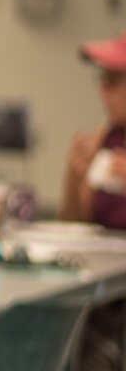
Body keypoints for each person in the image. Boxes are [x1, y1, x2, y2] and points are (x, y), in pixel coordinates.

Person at [61, 29, 126, 230]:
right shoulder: (109, 138)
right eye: (101, 79)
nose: (102, 90)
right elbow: (72, 225)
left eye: (112, 81)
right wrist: (75, 179)